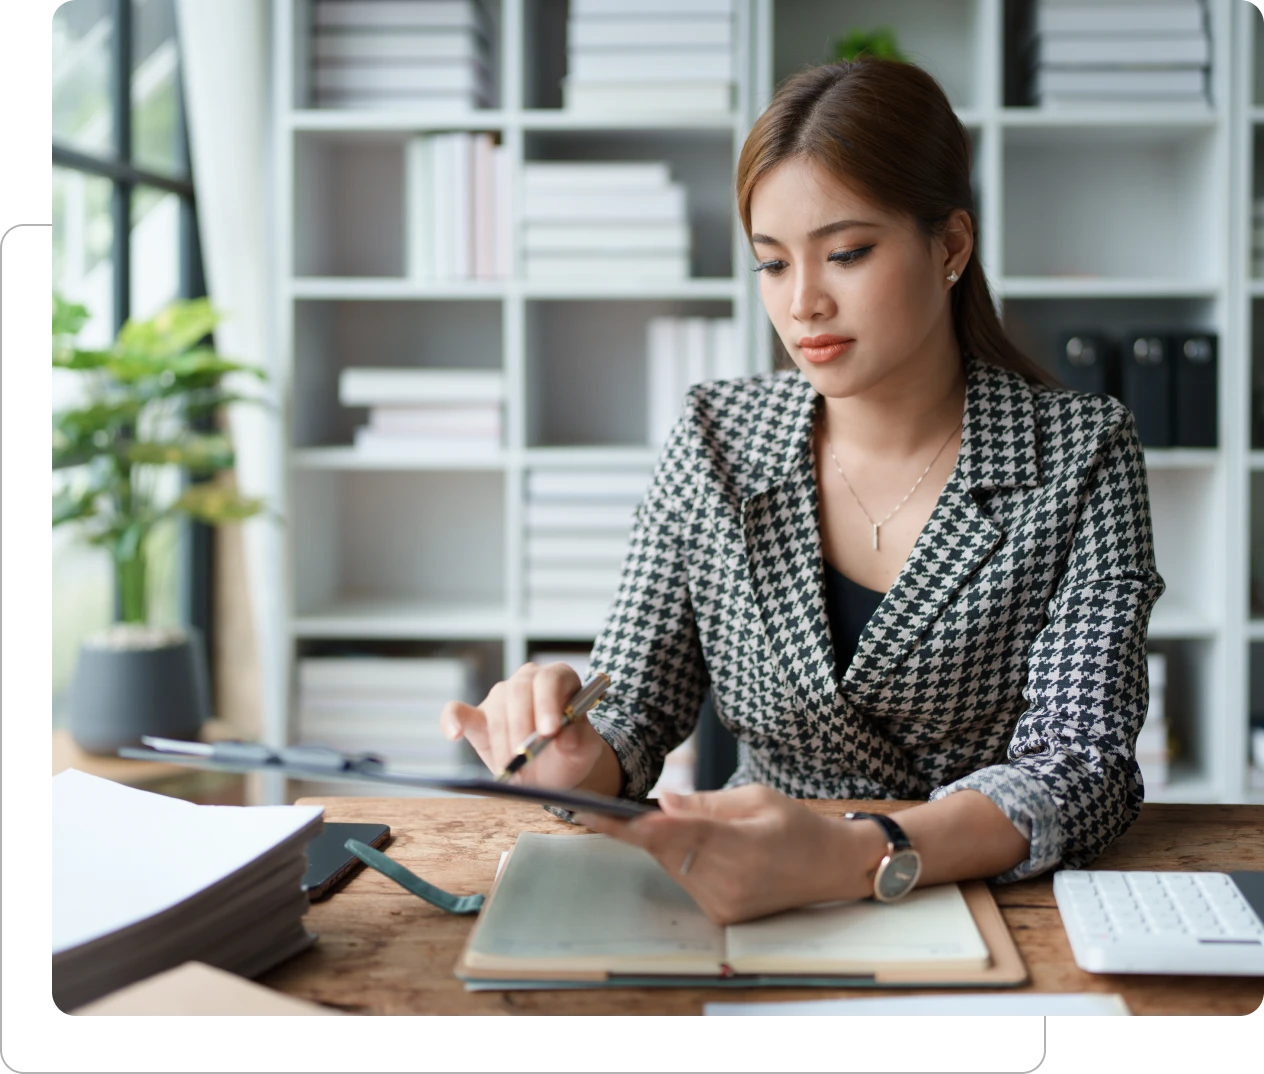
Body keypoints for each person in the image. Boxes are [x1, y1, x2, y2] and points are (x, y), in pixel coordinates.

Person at [440, 57, 1164, 925]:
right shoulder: (717, 438)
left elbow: (1081, 765)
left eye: (847, 253)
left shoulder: (1081, 451)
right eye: (773, 264)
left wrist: (858, 854)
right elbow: (632, 711)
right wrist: (570, 758)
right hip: (747, 885)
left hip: (981, 893)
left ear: (951, 247)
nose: (803, 304)